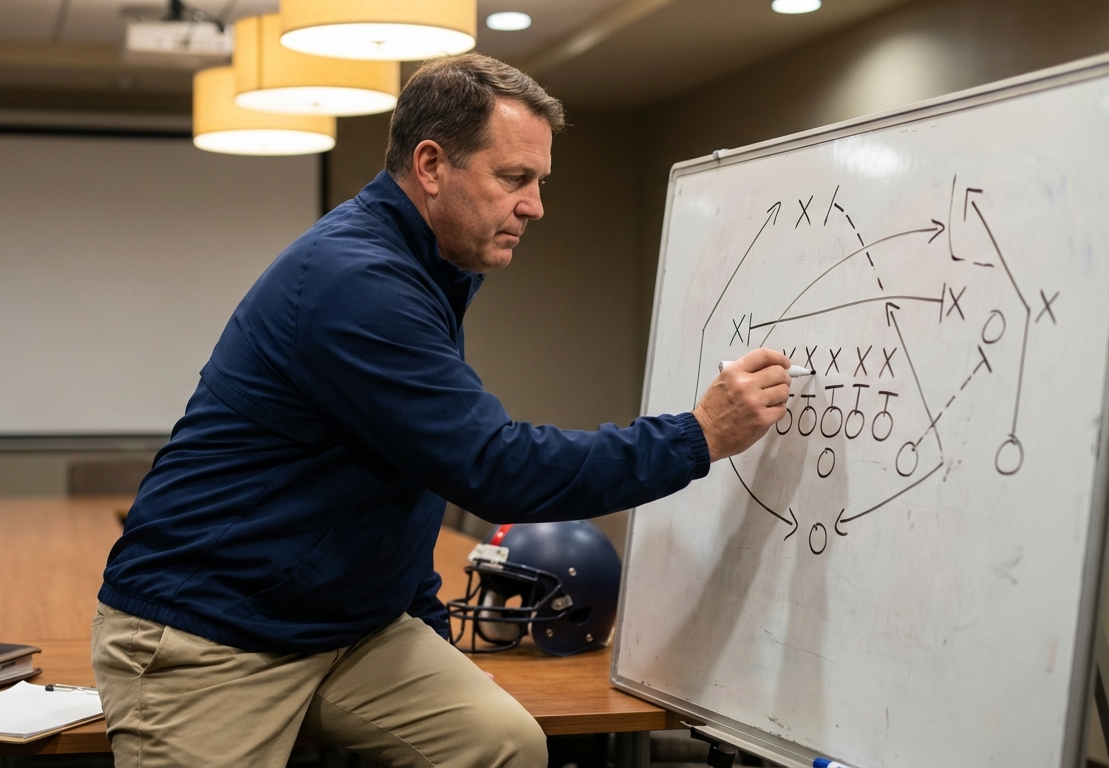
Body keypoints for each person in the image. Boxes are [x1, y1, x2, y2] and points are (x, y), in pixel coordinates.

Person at [92, 53, 791, 768]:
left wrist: (422, 625)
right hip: (211, 629)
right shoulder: (358, 282)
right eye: (514, 178)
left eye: (540, 182)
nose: (535, 206)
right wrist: (697, 436)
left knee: (502, 744)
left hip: (349, 629)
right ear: (431, 165)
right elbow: (493, 467)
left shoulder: (429, 267)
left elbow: (405, 469)